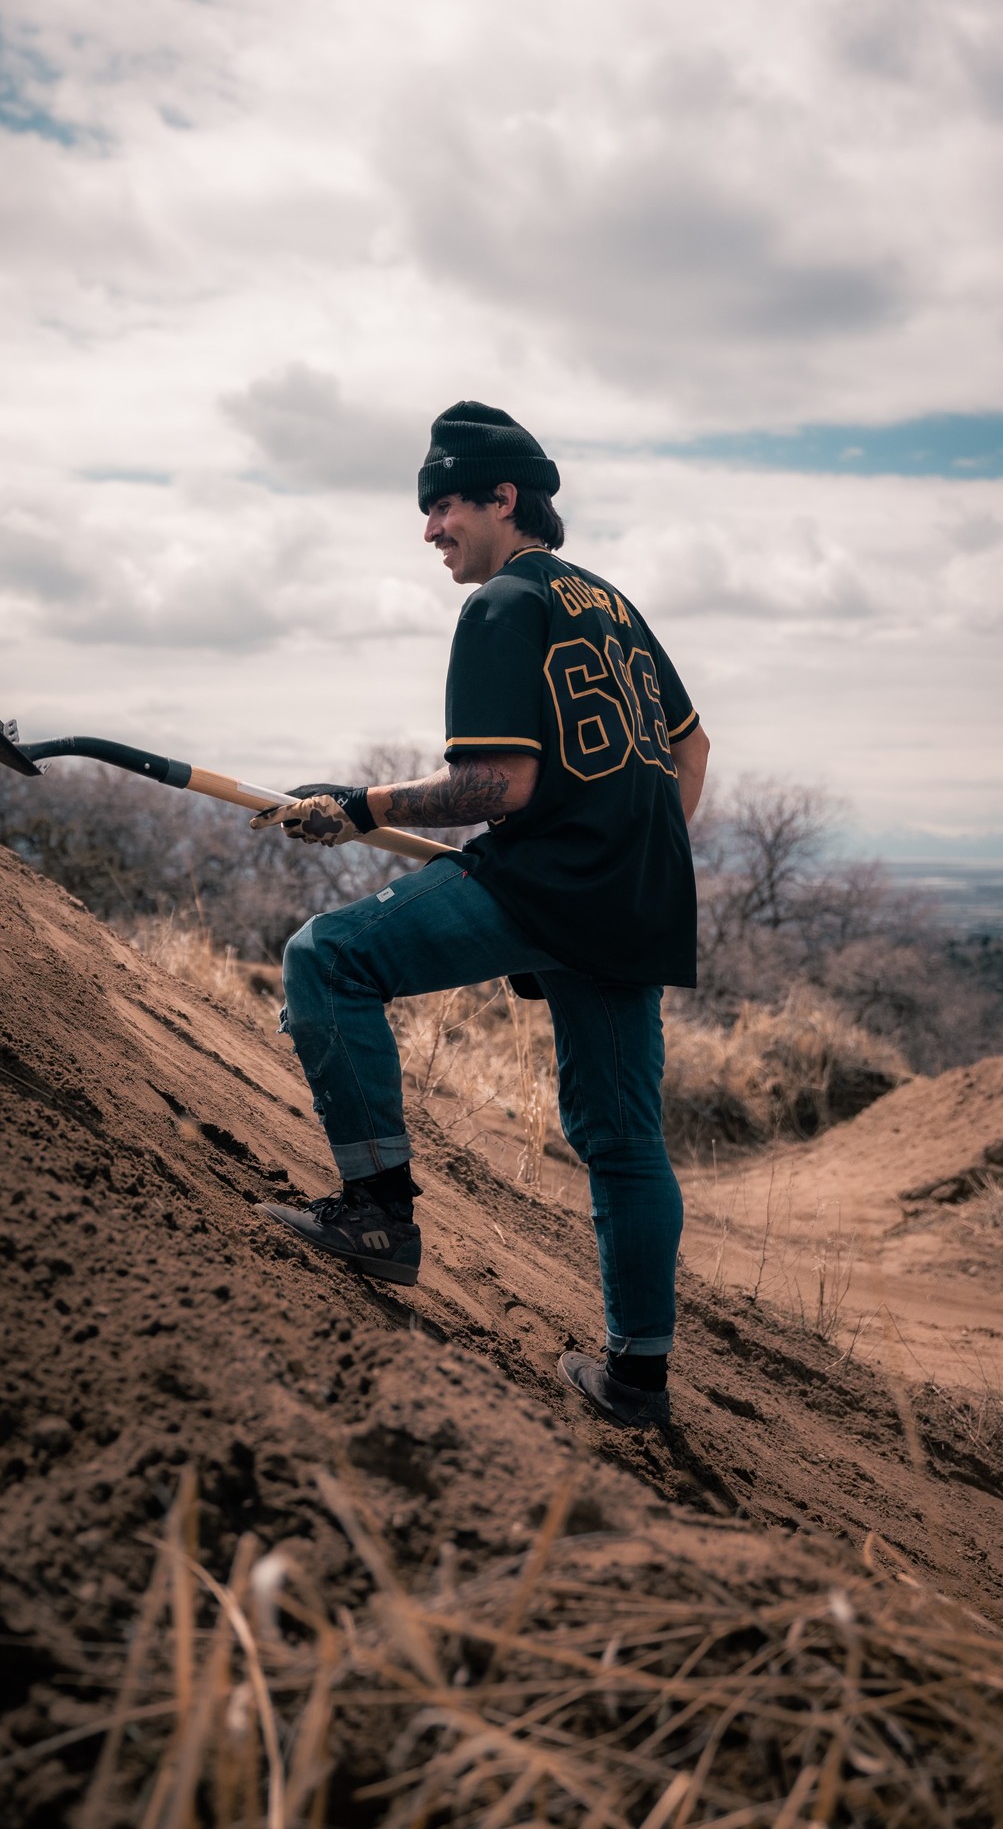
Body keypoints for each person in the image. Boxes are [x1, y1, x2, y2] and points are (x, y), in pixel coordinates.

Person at [250, 401, 709, 1429]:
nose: (431, 528)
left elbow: (498, 783)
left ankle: (377, 1216)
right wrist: (634, 858)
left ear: (504, 499)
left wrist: (358, 807)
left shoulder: (505, 601)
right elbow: (694, 751)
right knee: (626, 1141)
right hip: (631, 903)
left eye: (445, 503)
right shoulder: (616, 607)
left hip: (546, 883)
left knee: (327, 958)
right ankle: (637, 1377)